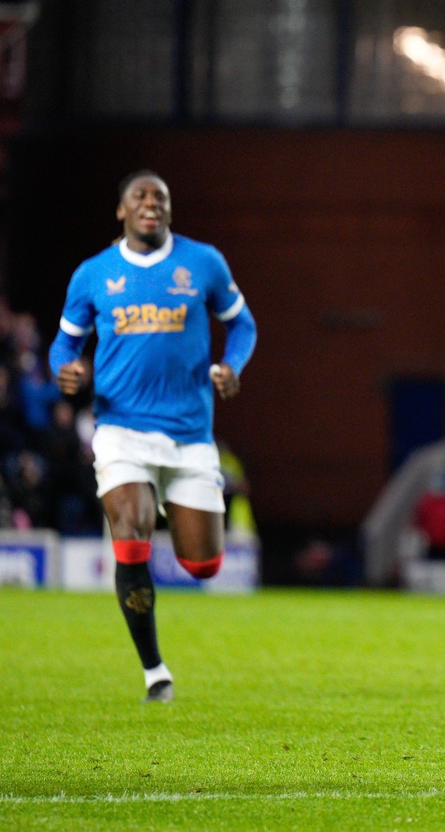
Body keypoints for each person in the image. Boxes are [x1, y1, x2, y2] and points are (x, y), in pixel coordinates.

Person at [48, 170, 257, 702]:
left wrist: (231, 367)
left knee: (203, 564)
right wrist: (66, 370)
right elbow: (63, 346)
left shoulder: (202, 263)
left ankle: (175, 514)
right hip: (121, 429)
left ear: (168, 210)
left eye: (159, 196)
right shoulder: (94, 274)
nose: (150, 202)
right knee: (130, 528)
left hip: (189, 433)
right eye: (139, 196)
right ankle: (154, 671)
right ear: (121, 211)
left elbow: (243, 326)